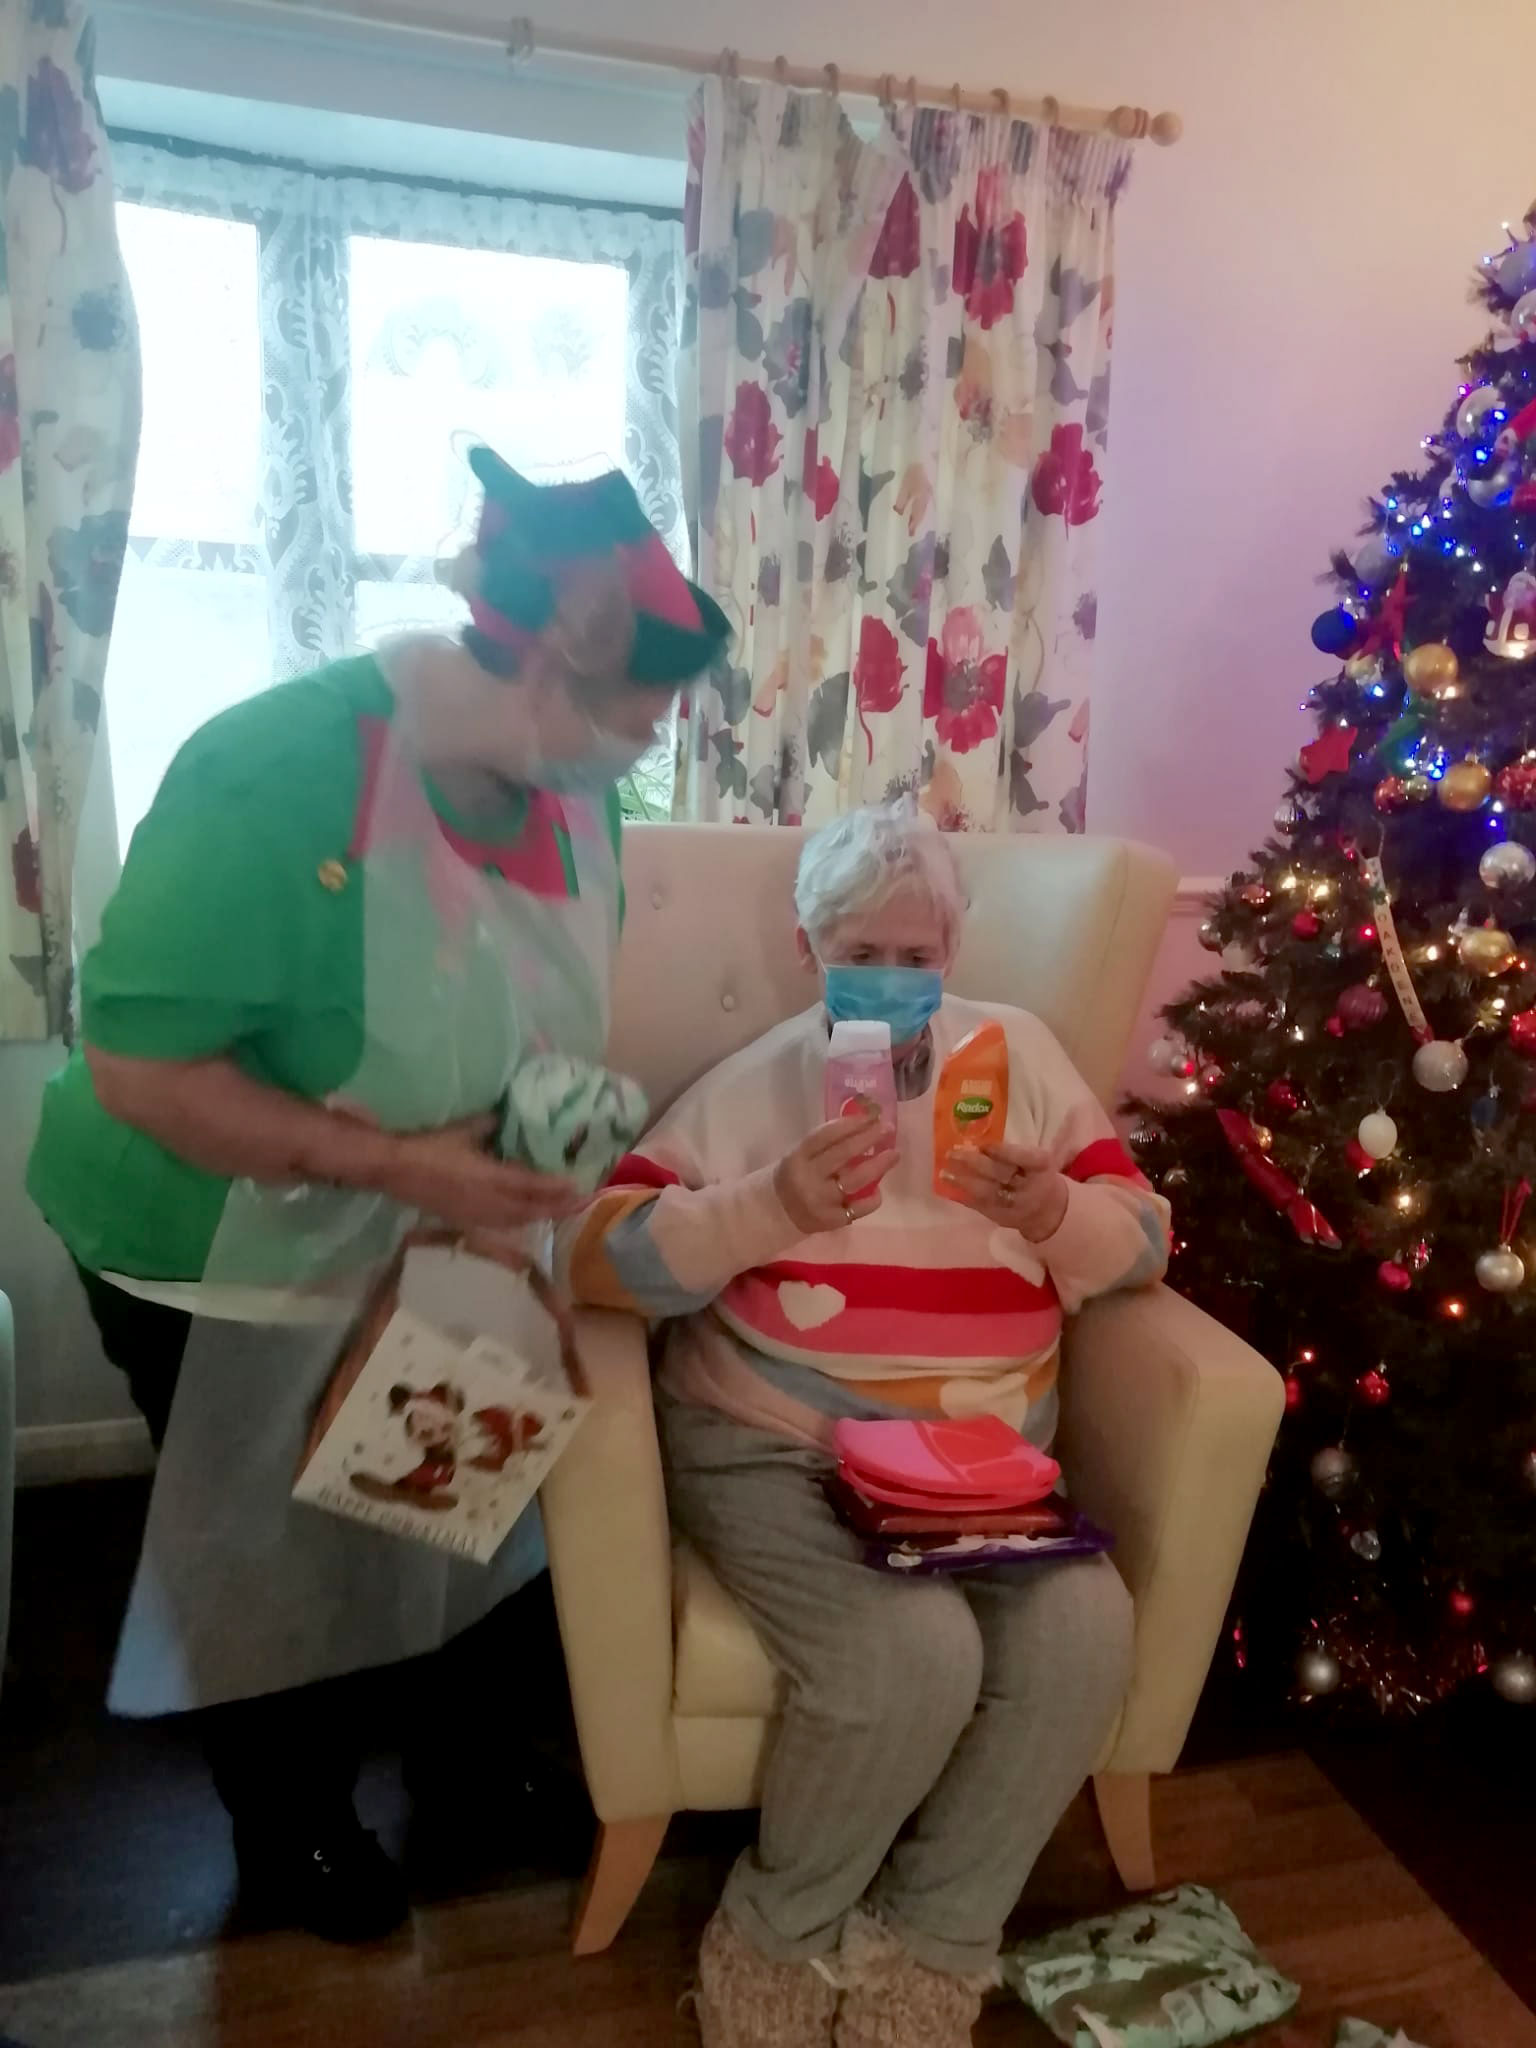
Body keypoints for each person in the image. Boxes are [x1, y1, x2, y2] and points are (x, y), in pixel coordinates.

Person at [26, 445, 729, 1941]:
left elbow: (530, 1000)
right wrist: (407, 1165)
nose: (649, 745)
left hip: (429, 1211)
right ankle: (293, 1825)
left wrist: (522, 1149)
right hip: (207, 1236)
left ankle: (460, 1769)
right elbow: (146, 1072)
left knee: (447, 1483)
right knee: (272, 1540)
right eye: (637, 713)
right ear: (542, 659)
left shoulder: (573, 790)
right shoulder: (274, 774)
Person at [562, 803, 1171, 2048]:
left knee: (1087, 1634)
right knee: (908, 1655)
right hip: (777, 1439)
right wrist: (769, 1203)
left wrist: (1054, 1210)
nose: (890, 978)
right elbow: (598, 1258)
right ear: (807, 947)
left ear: (953, 949)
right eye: (859, 953)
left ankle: (934, 1939)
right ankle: (776, 1928)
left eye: (915, 953)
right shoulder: (758, 1081)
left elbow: (1147, 1243)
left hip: (976, 1460)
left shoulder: (1020, 1054)